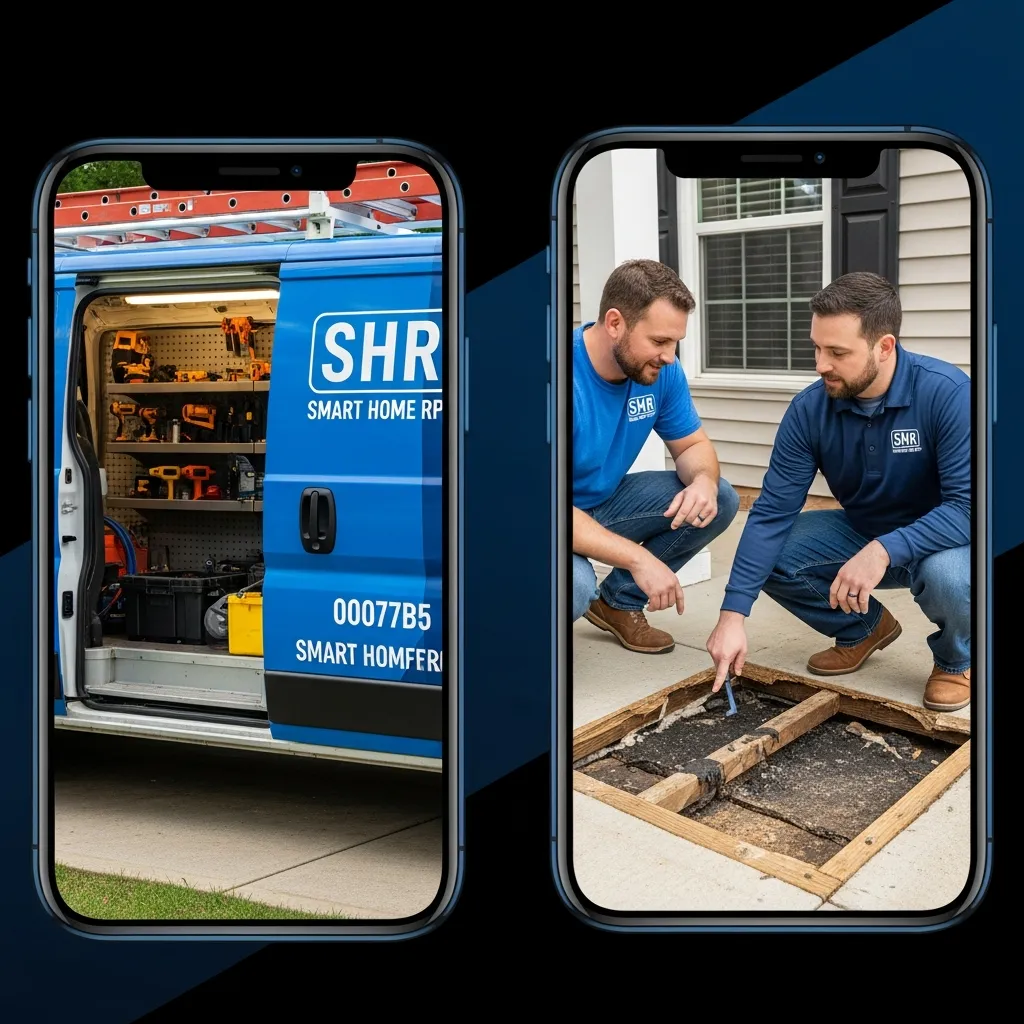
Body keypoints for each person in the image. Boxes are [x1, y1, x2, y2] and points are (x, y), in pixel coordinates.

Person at [705, 271, 971, 712]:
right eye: (817, 347)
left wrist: (884, 550)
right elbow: (771, 513)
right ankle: (863, 629)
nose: (820, 364)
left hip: (944, 542)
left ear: (884, 347)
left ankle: (956, 659)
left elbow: (969, 508)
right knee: (769, 557)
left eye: (837, 352)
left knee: (950, 576)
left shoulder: (948, 394)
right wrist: (732, 616)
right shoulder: (810, 409)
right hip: (863, 530)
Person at [573, 259, 740, 654]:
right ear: (615, 323)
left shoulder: (662, 372)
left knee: (720, 497)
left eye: (675, 342)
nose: (669, 355)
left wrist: (702, 481)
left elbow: (693, 447)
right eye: (660, 341)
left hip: (602, 504)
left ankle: (617, 603)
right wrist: (639, 560)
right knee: (575, 587)